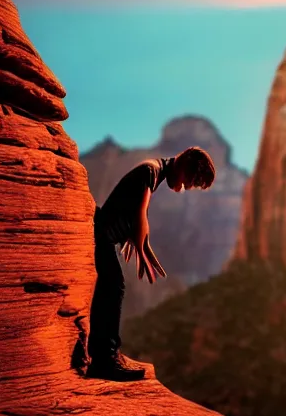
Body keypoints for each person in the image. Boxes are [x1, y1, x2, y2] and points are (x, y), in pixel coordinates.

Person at [86, 146, 216, 381]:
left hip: (107, 237)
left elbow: (129, 202)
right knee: (114, 288)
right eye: (190, 182)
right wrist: (141, 243)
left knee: (113, 288)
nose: (184, 189)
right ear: (184, 163)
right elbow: (141, 209)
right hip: (101, 238)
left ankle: (105, 354)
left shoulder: (154, 171)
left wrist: (128, 235)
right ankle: (104, 360)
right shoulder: (151, 170)